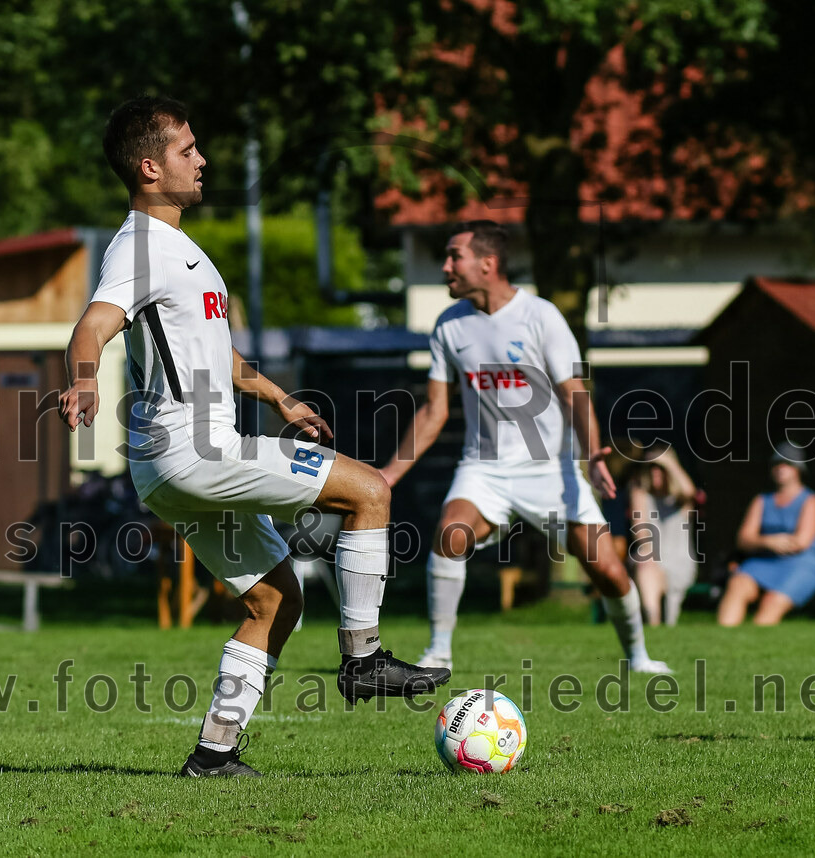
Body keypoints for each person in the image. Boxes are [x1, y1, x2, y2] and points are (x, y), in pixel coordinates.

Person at [58, 96, 449, 778]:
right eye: (188, 151)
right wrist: (86, 380)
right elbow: (91, 326)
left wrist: (279, 397)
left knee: (275, 600)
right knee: (369, 490)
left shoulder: (181, 252)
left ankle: (214, 753)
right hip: (193, 450)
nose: (202, 160)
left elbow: (220, 358)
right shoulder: (141, 247)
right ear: (150, 167)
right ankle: (362, 657)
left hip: (174, 465)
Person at [379, 220, 671, 675]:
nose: (445, 266)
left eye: (455, 256)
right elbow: (434, 412)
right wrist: (386, 477)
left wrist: (593, 455)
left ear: (488, 263)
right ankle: (438, 652)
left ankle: (638, 656)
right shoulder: (448, 326)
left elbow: (575, 391)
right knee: (449, 535)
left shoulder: (541, 316)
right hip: (484, 468)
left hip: (549, 472)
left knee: (609, 572)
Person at [717, 442, 815, 626]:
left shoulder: (811, 500)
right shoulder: (762, 500)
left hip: (800, 564)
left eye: (787, 464)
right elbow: (743, 539)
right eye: (776, 464)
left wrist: (758, 540)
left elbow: (801, 542)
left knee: (771, 602)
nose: (780, 468)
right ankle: (722, 643)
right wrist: (768, 542)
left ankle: (755, 650)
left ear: (798, 469)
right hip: (763, 561)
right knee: (738, 584)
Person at [627, 446, 698, 626]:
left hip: (680, 562)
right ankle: (653, 623)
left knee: (647, 565)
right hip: (650, 558)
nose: (656, 472)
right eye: (652, 468)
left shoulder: (681, 501)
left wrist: (668, 463)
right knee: (646, 562)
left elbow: (690, 492)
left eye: (661, 469)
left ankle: (658, 624)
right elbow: (640, 533)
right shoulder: (641, 495)